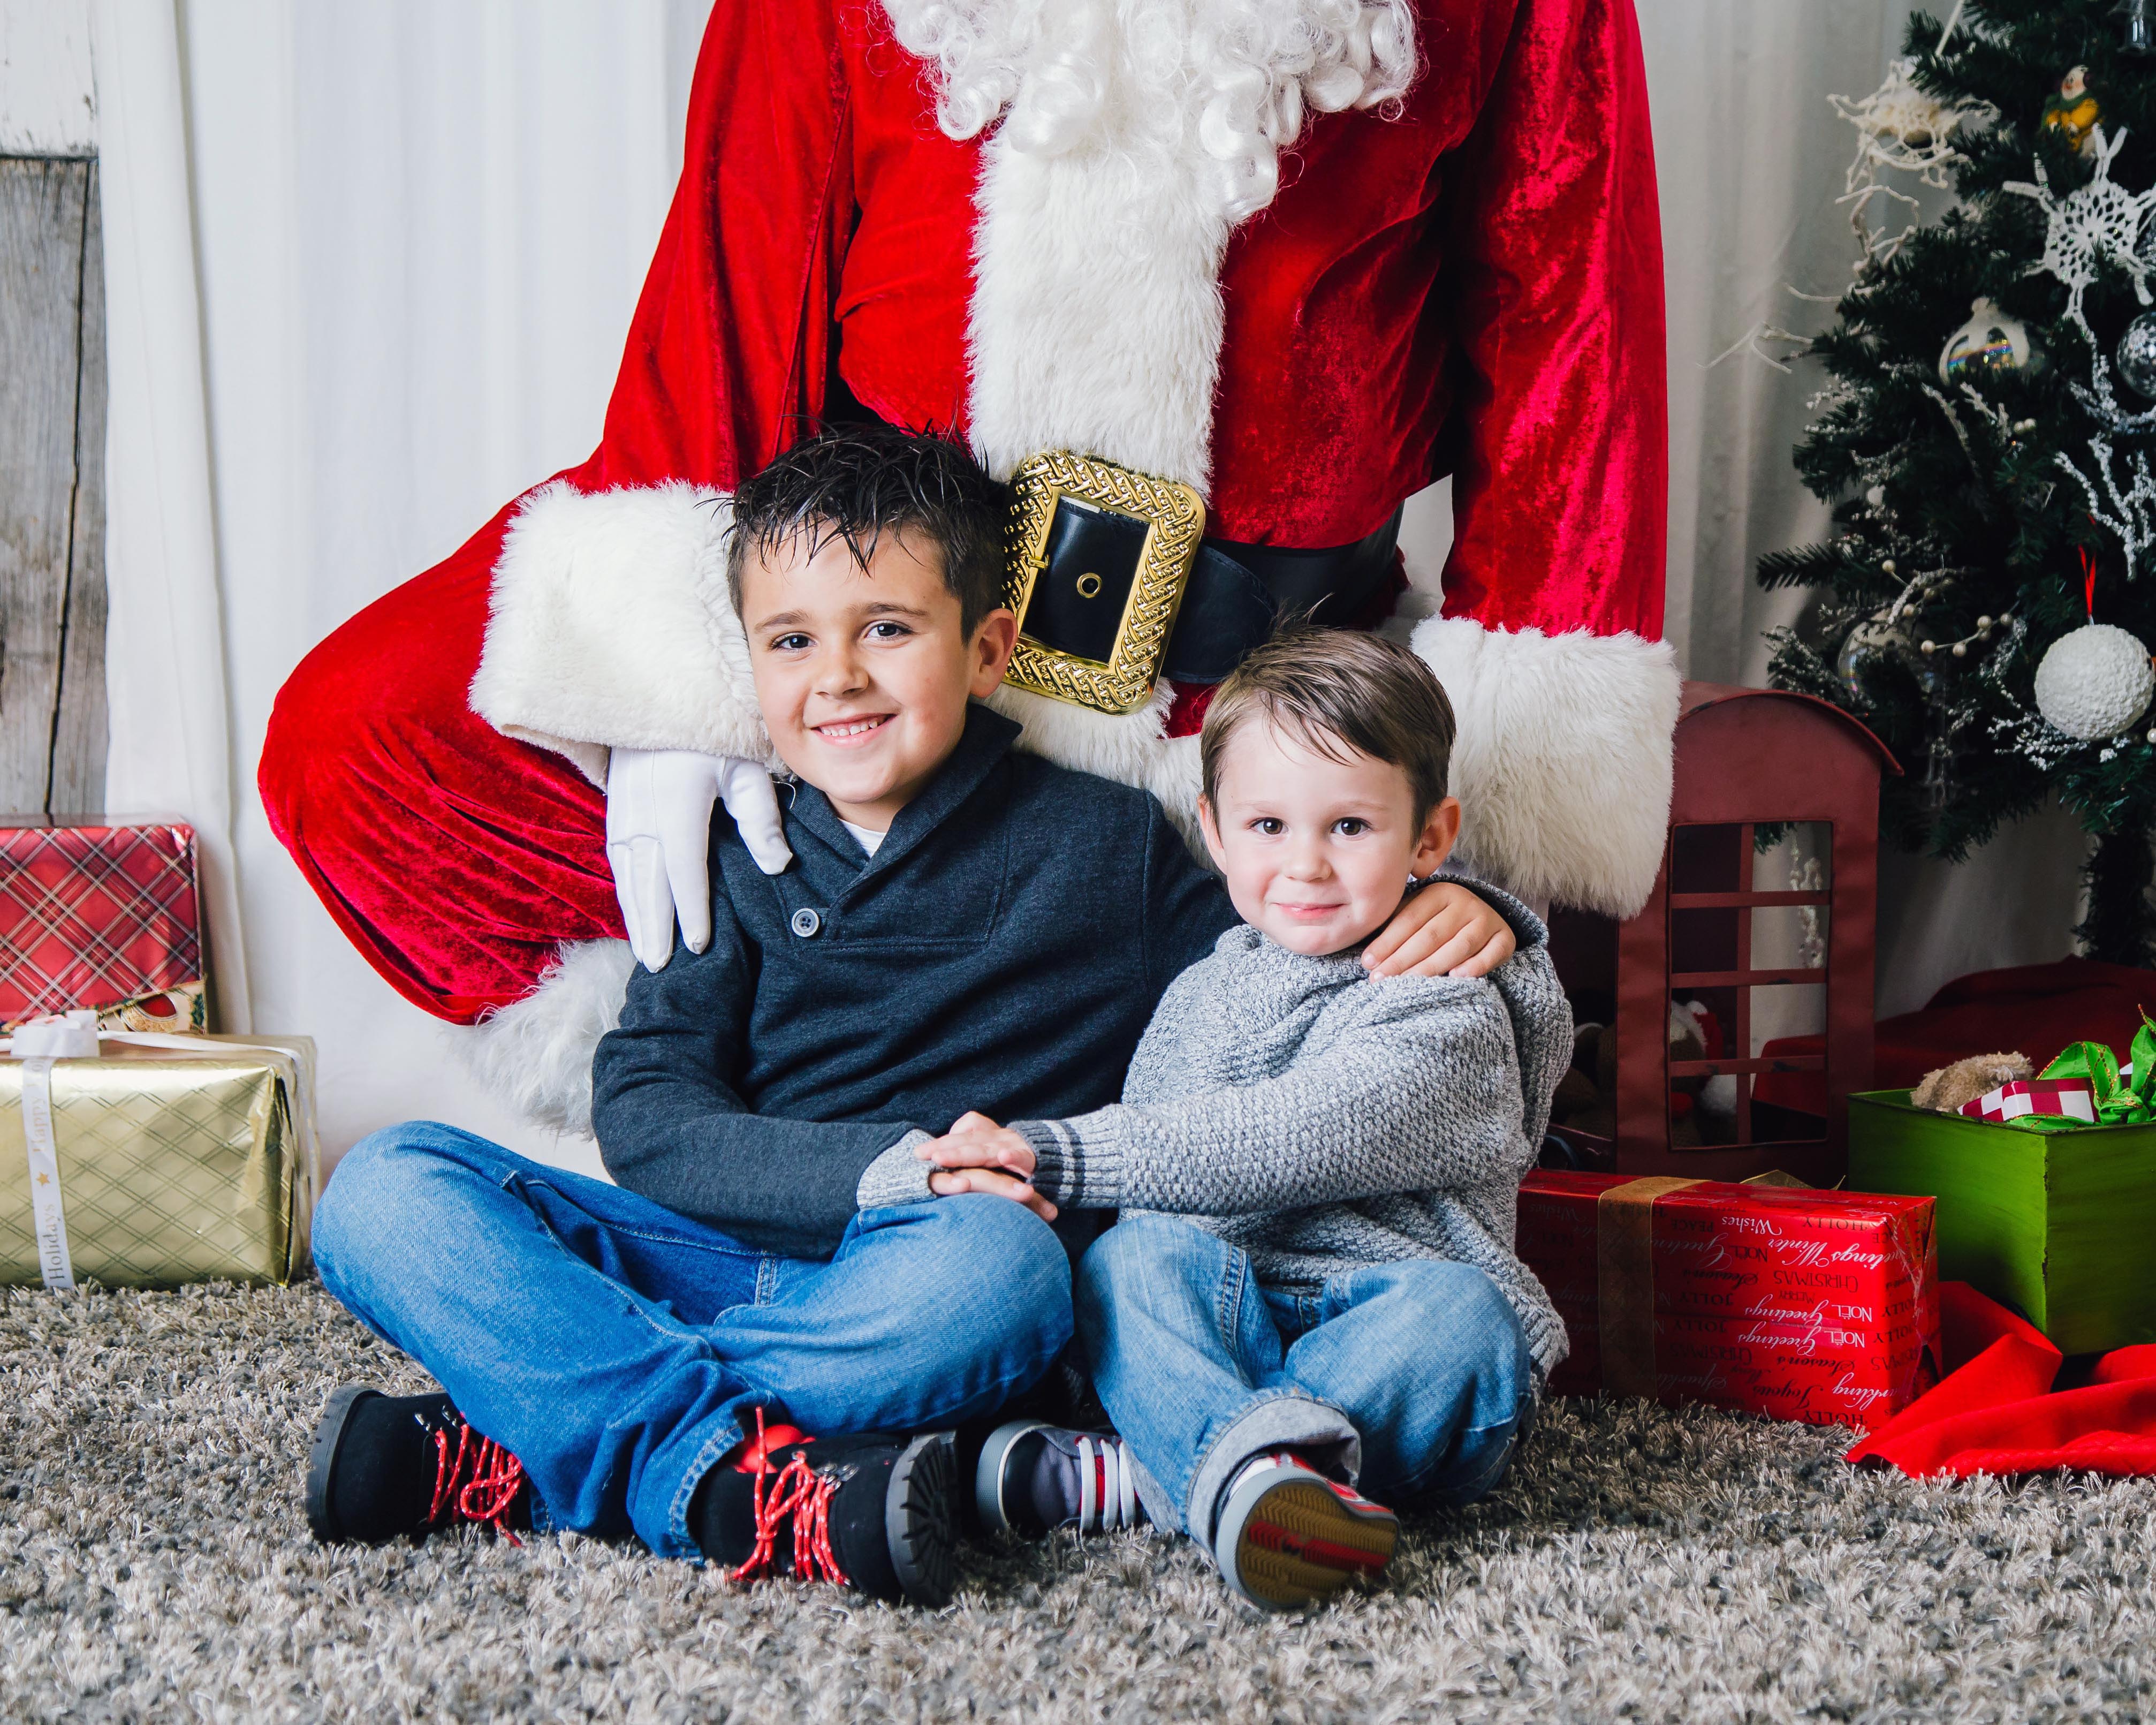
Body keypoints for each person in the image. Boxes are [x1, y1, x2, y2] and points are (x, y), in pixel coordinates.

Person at [257, 0, 1678, 1140]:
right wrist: (674, 705)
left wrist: (1474, 820)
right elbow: (730, 272)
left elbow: (1570, 347)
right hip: (886, 650)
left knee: (1379, 1022)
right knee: (362, 735)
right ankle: (813, 1117)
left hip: (1236, 707)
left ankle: (1040, 1133)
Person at [302, 430, 1525, 1608]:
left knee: (1007, 1269)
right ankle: (718, 1470)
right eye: (791, 641)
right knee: (381, 1187)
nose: (837, 677)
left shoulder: (1103, 847)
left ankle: (534, 1436)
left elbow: (1296, 917)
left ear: (988, 649)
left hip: (934, 1279)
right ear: (751, 666)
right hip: (724, 1255)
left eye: (887, 630)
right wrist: (886, 1170)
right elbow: (649, 1113)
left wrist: (1475, 910)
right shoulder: (730, 854)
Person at [961, 630, 1569, 1611]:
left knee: (1464, 1322)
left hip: (1389, 1318)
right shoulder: (1201, 988)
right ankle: (1261, 1477)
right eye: (1270, 825)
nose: (1308, 865)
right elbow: (1171, 1202)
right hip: (1236, 1316)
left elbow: (1289, 1134)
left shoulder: (1446, 997)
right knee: (1132, 1263)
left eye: (1351, 828)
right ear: (1215, 831)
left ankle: (1166, 1472)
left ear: (1430, 836)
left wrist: (1053, 1147)